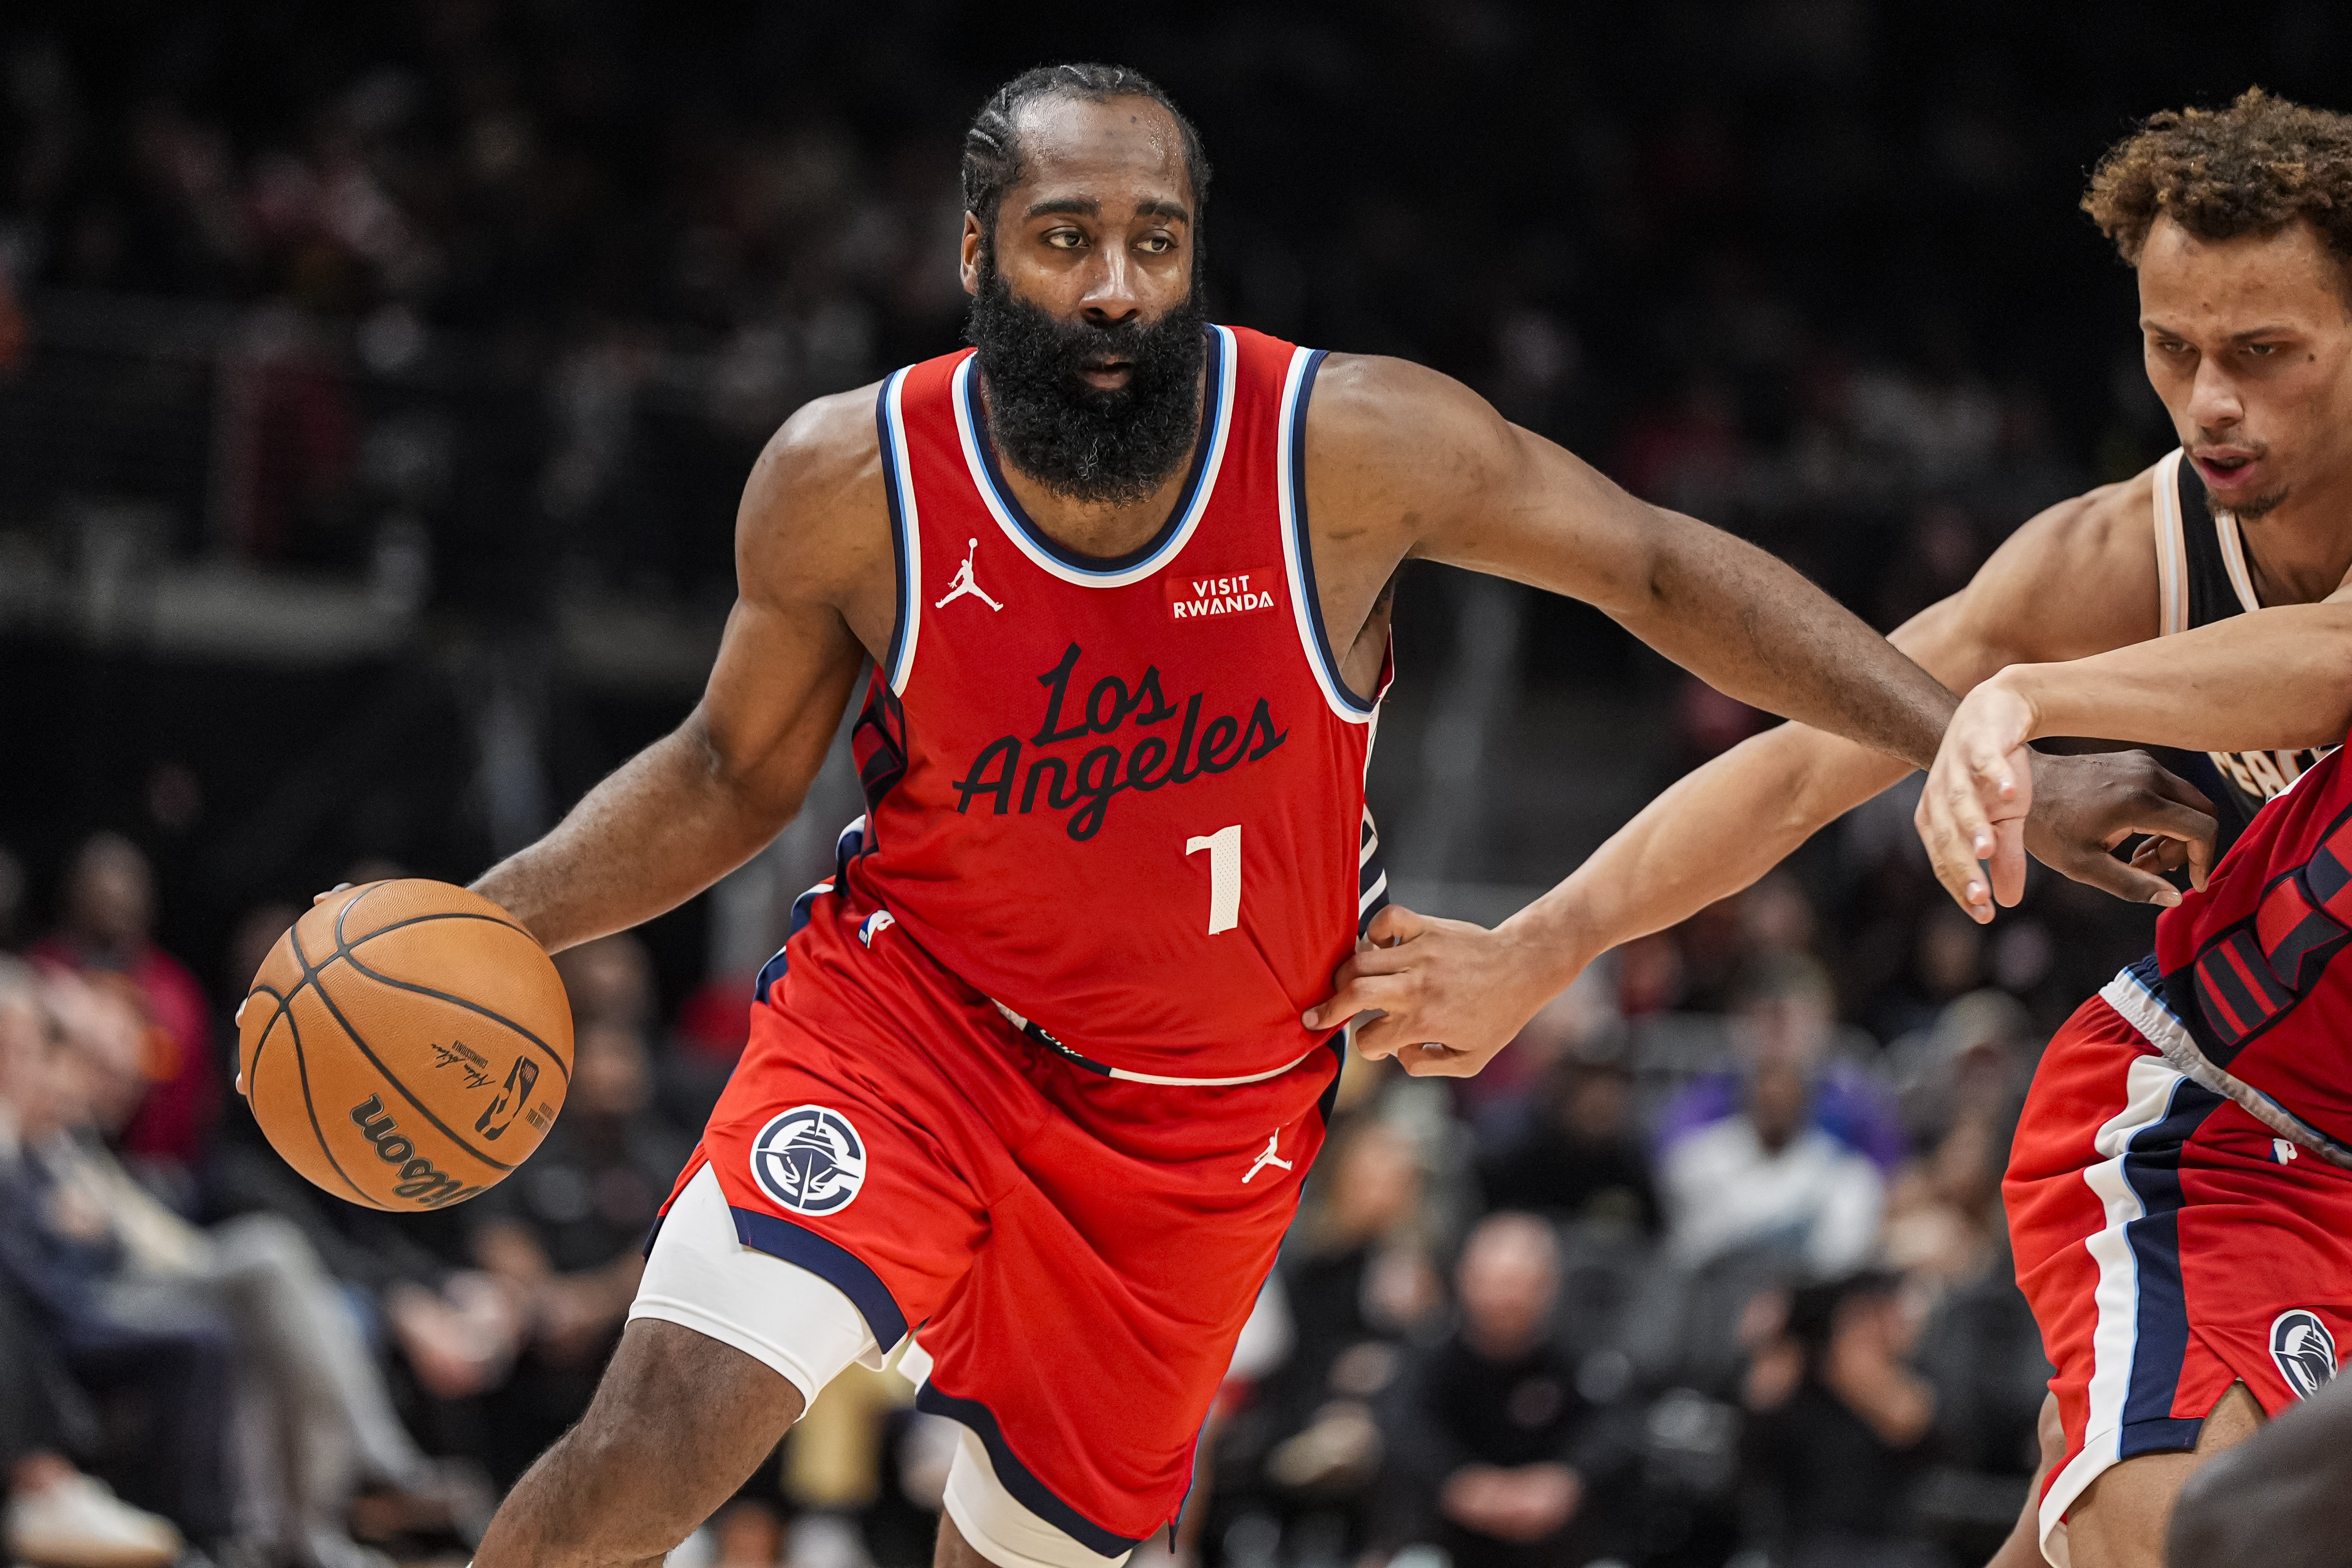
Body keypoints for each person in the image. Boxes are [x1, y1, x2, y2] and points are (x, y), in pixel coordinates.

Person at [447, 63, 2182, 1568]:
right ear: (975, 254)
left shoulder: (1344, 445)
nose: (1115, 286)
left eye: (1156, 241)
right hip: (917, 1030)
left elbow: (1656, 567)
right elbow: (727, 773)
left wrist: (1989, 752)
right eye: (1064, 238)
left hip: (1202, 1124)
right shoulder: (850, 478)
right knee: (667, 1424)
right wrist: (486, 921)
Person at [1310, 84, 2352, 1564]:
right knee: (2184, 1536)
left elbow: (2335, 653)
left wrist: (2033, 702)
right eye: (2170, 348)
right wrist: (1544, 945)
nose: (2209, 402)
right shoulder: (2124, 552)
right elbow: (1813, 756)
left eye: (2264, 353)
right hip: (2240, 1125)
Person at [1380, 1213, 1636, 1568]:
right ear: (1465, 1280)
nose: (1504, 1298)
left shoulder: (1584, 1358)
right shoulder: (1426, 1357)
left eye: (1519, 1284)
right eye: (1493, 1283)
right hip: (1446, 1540)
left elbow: (1617, 1430)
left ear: (1550, 1285)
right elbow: (1403, 1430)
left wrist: (1568, 1480)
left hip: (1563, 1545)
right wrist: (1458, 1483)